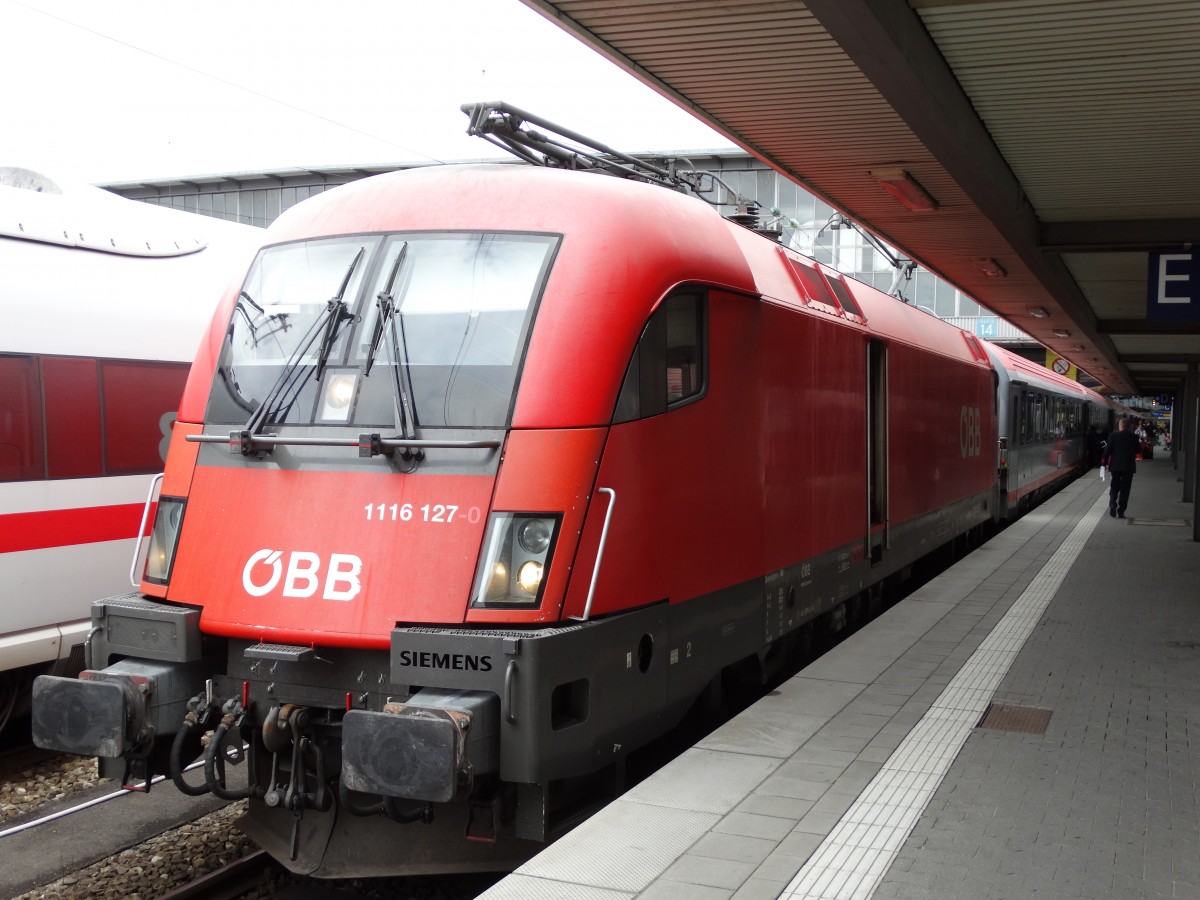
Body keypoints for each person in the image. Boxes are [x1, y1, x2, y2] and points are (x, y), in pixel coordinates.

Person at [1102, 417, 1139, 518]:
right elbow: (1138, 450)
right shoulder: (1134, 437)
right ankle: (1121, 510)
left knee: (1114, 486)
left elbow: (1107, 450)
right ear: (1129, 426)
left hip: (1116, 467)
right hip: (1128, 467)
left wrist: (1103, 463)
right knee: (1125, 489)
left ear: (1121, 425)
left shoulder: (1113, 435)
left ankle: (1113, 504)